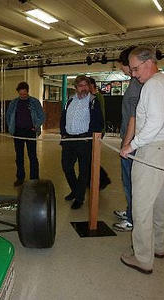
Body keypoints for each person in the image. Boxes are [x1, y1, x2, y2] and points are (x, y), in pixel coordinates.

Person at [120, 46, 164, 274]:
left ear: (148, 62)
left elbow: (153, 124)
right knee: (159, 203)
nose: (133, 74)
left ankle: (143, 257)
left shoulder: (152, 85)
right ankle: (158, 247)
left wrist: (130, 146)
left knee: (142, 205)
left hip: (152, 150)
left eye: (135, 69)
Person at [60, 75, 104, 209]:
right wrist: (63, 134)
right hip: (68, 140)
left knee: (84, 171)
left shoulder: (93, 101)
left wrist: (90, 136)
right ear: (76, 87)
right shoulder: (69, 101)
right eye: (81, 86)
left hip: (84, 140)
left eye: (86, 85)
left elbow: (99, 122)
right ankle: (76, 191)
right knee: (67, 167)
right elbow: (63, 118)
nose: (84, 88)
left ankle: (79, 198)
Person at [113, 47, 143, 232]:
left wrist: (127, 144)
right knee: (128, 180)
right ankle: (130, 211)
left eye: (122, 67)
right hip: (130, 139)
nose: (122, 70)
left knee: (131, 181)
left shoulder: (137, 85)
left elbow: (134, 116)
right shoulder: (134, 83)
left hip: (132, 143)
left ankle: (132, 218)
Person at [6, 81, 45, 186]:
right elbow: (8, 116)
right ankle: (20, 178)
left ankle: (34, 178)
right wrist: (11, 128)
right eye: (21, 94)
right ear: (18, 92)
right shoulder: (14, 103)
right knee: (19, 157)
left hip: (30, 132)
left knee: (32, 156)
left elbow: (42, 116)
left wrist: (36, 126)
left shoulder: (34, 102)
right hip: (18, 132)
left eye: (25, 94)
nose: (23, 96)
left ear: (28, 92)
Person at [88, 77, 111, 190]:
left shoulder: (97, 97)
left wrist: (99, 131)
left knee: (93, 158)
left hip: (97, 131)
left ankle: (103, 179)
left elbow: (99, 115)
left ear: (92, 85)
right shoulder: (92, 97)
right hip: (93, 131)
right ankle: (93, 180)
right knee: (90, 158)